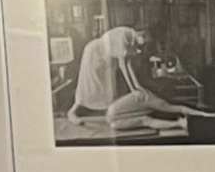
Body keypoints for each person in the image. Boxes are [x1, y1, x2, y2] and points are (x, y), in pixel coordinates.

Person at [66, 16, 194, 139]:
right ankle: (72, 111)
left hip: (108, 58)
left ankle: (111, 114)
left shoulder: (132, 40)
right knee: (90, 84)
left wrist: (137, 86)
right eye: (143, 37)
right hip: (95, 53)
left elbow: (129, 66)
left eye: (146, 38)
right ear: (139, 33)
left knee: (107, 87)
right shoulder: (124, 37)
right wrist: (133, 89)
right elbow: (123, 66)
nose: (144, 41)